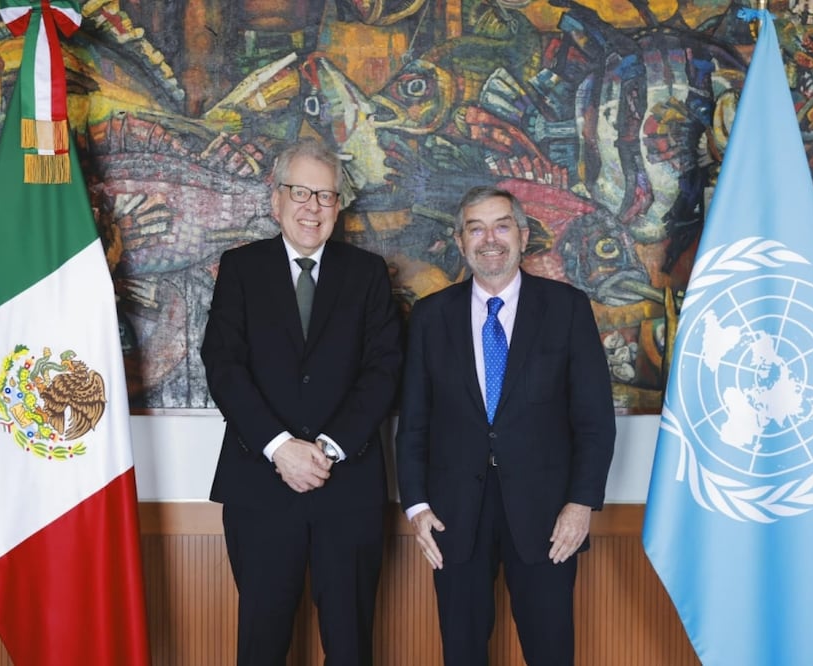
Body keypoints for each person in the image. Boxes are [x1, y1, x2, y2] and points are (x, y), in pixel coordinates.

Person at [200, 138, 402, 666]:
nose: (313, 207)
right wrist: (280, 447)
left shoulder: (368, 274)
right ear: (277, 200)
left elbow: (384, 370)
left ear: (338, 206)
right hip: (260, 488)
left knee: (350, 646)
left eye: (326, 196)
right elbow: (223, 366)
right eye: (301, 193)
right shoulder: (240, 269)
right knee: (261, 645)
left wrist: (328, 448)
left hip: (348, 489)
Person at [396, 185, 616, 665]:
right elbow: (414, 422)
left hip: (548, 516)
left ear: (522, 235)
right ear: (460, 241)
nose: (489, 239)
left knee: (550, 652)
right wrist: (416, 506)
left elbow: (595, 420)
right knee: (462, 652)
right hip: (455, 515)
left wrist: (581, 504)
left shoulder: (567, 308)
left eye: (501, 226)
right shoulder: (432, 316)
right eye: (476, 229)